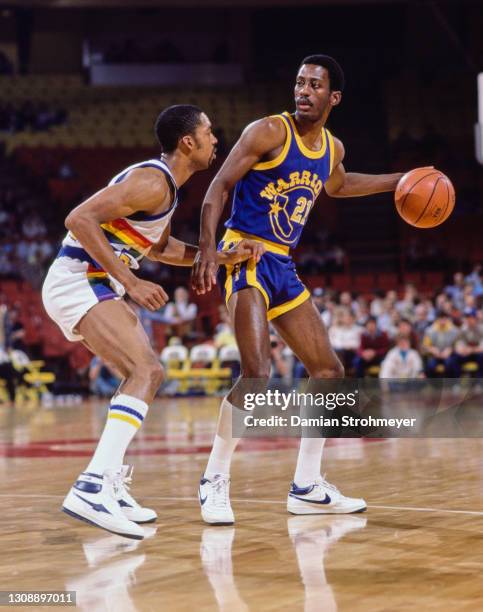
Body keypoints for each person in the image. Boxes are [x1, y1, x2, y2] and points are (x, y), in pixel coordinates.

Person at [193, 54, 414, 525]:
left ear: (333, 97)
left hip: (283, 264)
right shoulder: (268, 131)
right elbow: (218, 187)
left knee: (329, 371)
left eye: (315, 85)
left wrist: (400, 181)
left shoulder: (331, 148)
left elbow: (338, 185)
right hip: (244, 254)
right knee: (257, 373)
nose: (304, 91)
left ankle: (307, 485)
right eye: (299, 82)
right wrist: (209, 247)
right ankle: (213, 478)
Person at [42, 104, 264, 539]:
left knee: (137, 374)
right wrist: (129, 278)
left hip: (94, 283)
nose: (215, 139)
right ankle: (91, 486)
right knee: (148, 370)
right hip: (78, 279)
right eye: (208, 132)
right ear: (188, 143)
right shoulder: (150, 180)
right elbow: (78, 218)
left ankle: (107, 481)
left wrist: (219, 256)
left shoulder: (166, 190)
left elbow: (161, 249)